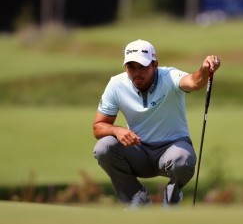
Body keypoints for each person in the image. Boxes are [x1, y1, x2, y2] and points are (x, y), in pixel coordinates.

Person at [93, 39, 220, 207]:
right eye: (131, 67)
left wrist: (204, 71)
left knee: (183, 159)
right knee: (103, 148)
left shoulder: (170, 76)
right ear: (125, 67)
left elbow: (194, 82)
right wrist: (117, 131)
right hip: (138, 151)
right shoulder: (116, 84)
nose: (136, 72)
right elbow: (98, 127)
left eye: (142, 66)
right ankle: (136, 200)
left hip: (172, 149)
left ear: (155, 65)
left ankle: (172, 202)